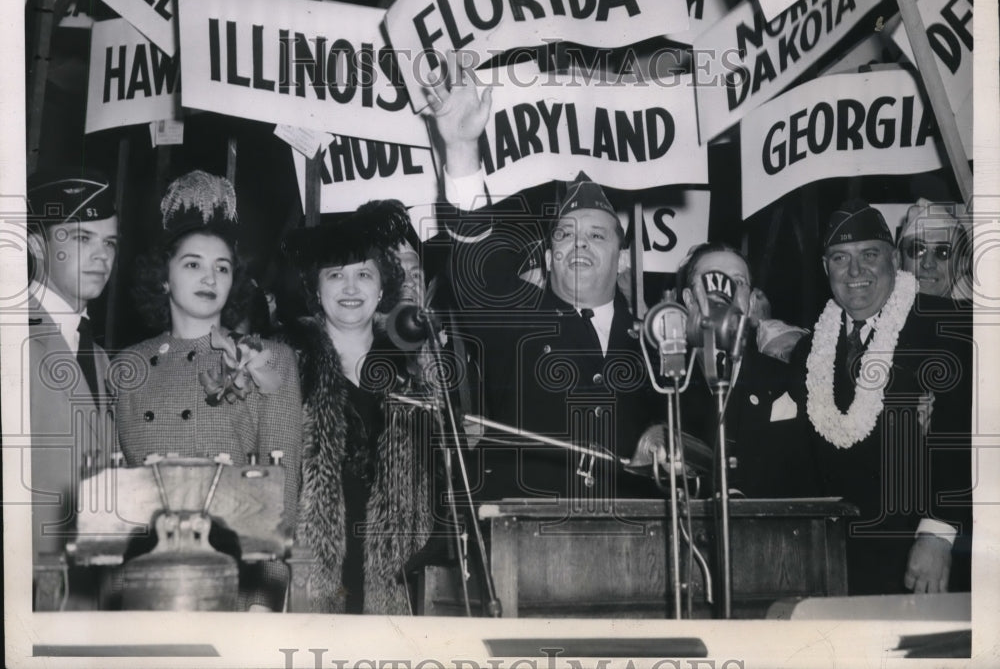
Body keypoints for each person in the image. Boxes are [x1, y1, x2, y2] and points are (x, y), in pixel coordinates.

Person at [424, 55, 661, 503]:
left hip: (639, 551)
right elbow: (475, 263)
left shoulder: (657, 343)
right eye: (566, 235)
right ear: (550, 256)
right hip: (525, 548)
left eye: (596, 235)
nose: (579, 244)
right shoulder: (517, 321)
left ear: (622, 255)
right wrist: (460, 151)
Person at [112, 170, 302, 611]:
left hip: (233, 582)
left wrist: (263, 598)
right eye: (192, 264)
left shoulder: (269, 360)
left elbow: (281, 493)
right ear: (164, 277)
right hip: (145, 582)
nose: (209, 278)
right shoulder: (128, 365)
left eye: (222, 267)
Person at [789, 199, 972, 595]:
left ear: (892, 259)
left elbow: (963, 435)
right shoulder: (809, 352)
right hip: (835, 559)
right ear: (826, 269)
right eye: (840, 258)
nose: (855, 271)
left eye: (869, 254)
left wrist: (938, 534)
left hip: (918, 557)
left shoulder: (947, 324)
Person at [282, 205, 435, 614]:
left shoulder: (416, 376)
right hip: (305, 581)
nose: (350, 287)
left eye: (364, 274)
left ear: (383, 288)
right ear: (316, 289)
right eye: (335, 275)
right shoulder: (284, 369)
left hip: (398, 584)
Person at [635, 243, 818, 498]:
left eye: (737, 282)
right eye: (712, 279)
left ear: (751, 301)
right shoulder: (654, 380)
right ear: (688, 299)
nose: (724, 292)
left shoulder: (786, 379)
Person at [26, 167, 119, 606]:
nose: (101, 256)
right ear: (36, 245)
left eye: (110, 243)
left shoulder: (99, 357)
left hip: (87, 600)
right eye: (82, 239)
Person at [897, 198, 972, 303]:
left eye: (943, 252)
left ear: (961, 266)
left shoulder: (973, 318)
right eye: (917, 249)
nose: (928, 263)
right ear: (898, 260)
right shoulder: (878, 318)